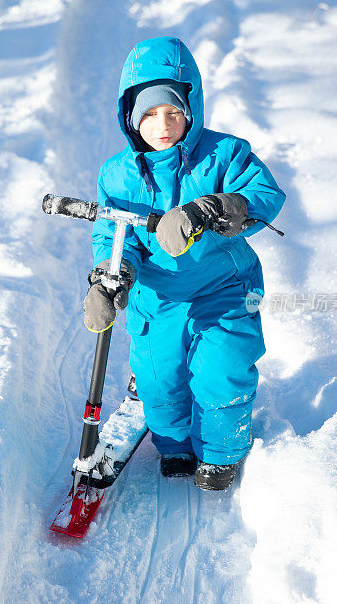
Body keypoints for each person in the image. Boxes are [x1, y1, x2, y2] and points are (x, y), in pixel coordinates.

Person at [83, 36, 285, 490]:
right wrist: (111, 277)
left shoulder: (223, 154)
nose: (163, 124)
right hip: (157, 297)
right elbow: (112, 233)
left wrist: (206, 211)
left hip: (224, 287)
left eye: (173, 111)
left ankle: (221, 453)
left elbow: (266, 195)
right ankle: (174, 445)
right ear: (131, 117)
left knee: (222, 367)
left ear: (191, 110)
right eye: (150, 114)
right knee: (160, 380)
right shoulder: (117, 174)